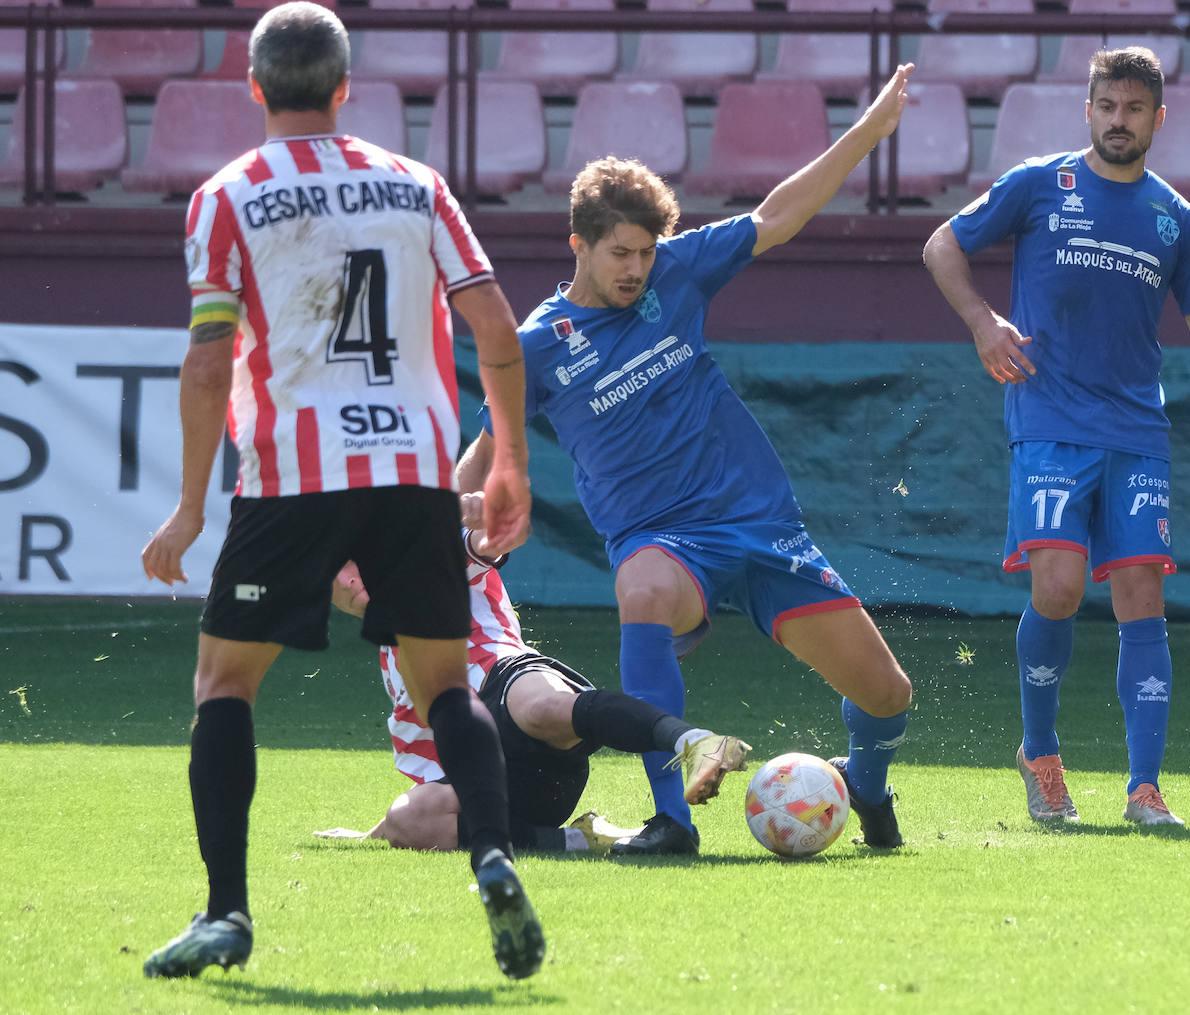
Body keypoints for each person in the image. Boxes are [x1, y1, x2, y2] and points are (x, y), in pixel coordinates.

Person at [139, 2, 544, 982]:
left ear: (254, 88)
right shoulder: (415, 186)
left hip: (291, 474)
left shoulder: (228, 196)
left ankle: (227, 912)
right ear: (345, 87)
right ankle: (492, 853)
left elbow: (206, 362)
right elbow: (495, 327)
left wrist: (193, 505)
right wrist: (509, 462)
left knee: (224, 686)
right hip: (411, 469)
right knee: (448, 684)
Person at [459, 67, 919, 856]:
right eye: (620, 253)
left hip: (759, 523)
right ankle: (673, 817)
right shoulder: (538, 345)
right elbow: (485, 453)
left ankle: (867, 786)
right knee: (637, 589)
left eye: (646, 251)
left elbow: (778, 215)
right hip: (663, 543)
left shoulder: (676, 273)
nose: (636, 268)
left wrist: (869, 134)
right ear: (578, 244)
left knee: (888, 693)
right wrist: (432, 518)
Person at [922, 47, 1190, 827]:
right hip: (1048, 420)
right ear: (1089, 110)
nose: (1118, 120)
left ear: (1156, 120)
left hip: (1137, 430)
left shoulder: (1176, 217)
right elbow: (942, 244)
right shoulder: (1040, 184)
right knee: (1059, 588)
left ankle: (1145, 788)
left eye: (1134, 109)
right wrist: (982, 322)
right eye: (1107, 106)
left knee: (1142, 593)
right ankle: (1040, 755)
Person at [318, 511, 752, 854]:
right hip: (517, 789)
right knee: (410, 817)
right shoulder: (395, 666)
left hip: (513, 685)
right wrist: (379, 833)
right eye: (330, 577)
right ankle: (583, 840)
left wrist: (492, 531)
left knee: (538, 706)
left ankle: (695, 742)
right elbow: (434, 771)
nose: (346, 580)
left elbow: (479, 544)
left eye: (350, 560)